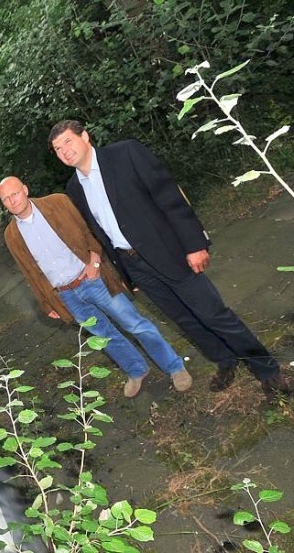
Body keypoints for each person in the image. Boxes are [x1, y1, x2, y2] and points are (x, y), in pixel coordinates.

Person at [49, 119, 291, 400]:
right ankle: (225, 360)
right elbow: (102, 231)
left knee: (214, 314)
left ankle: (268, 371)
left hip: (170, 253)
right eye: (57, 148)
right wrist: (127, 275)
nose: (64, 151)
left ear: (85, 137)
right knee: (186, 321)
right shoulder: (74, 188)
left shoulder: (125, 154)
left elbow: (169, 196)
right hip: (136, 266)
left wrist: (194, 244)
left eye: (68, 141)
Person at [0, 176, 192, 397]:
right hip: (66, 295)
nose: (12, 201)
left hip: (93, 279)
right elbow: (29, 272)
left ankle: (175, 367)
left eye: (15, 194)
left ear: (25, 188)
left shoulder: (58, 203)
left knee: (134, 324)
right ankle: (136, 370)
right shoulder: (11, 235)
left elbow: (89, 230)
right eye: (6, 199)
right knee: (104, 337)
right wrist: (46, 302)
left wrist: (95, 261)